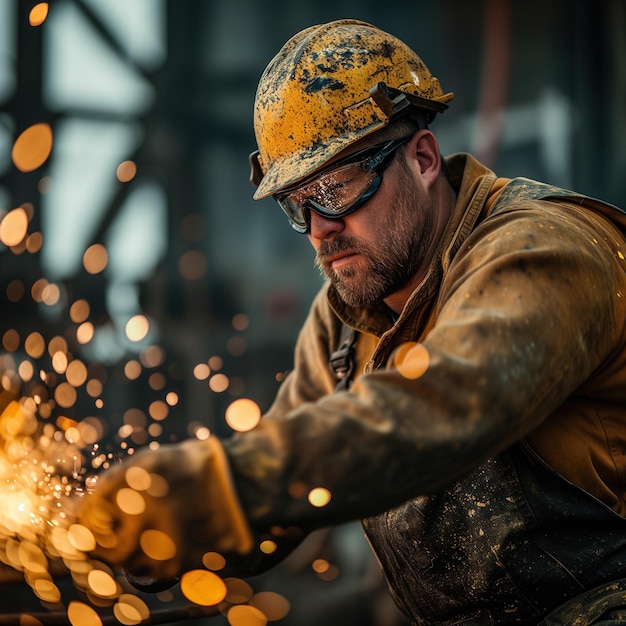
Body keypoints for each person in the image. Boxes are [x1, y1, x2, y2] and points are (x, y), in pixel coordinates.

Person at [79, 19, 626, 625]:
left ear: (421, 159)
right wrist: (163, 536)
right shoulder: (345, 322)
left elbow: (444, 405)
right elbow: (285, 493)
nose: (319, 228)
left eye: (336, 190)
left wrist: (221, 488)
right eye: (298, 204)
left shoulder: (543, 250)